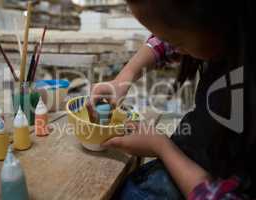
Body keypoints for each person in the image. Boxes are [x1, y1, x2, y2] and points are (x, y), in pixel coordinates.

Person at [87, 0, 255, 199]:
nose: (173, 47)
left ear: (216, 19)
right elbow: (165, 41)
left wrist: (161, 147)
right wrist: (123, 79)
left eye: (177, 42)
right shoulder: (225, 32)